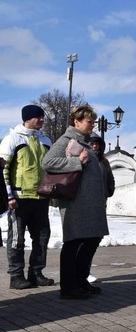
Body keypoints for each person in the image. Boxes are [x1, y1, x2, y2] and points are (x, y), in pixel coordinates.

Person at [42, 105, 109, 299]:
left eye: (94, 121)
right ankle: (69, 287)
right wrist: (77, 162)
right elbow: (48, 162)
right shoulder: (66, 140)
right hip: (76, 203)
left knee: (92, 239)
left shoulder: (86, 142)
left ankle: (80, 281)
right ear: (76, 122)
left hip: (91, 203)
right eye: (89, 121)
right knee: (74, 242)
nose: (93, 125)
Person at [0, 104, 54, 289]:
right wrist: (9, 196)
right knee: (17, 239)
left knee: (42, 238)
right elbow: (3, 170)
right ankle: (16, 276)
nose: (41, 120)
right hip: (19, 199)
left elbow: (51, 168)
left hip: (41, 198)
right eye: (38, 117)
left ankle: (36, 273)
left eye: (42, 117)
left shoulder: (46, 140)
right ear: (27, 118)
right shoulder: (12, 139)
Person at [87, 133, 115, 283]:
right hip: (87, 205)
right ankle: (83, 272)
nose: (95, 146)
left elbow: (110, 177)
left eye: (97, 144)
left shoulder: (104, 162)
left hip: (100, 204)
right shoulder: (85, 159)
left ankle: (85, 271)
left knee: (96, 238)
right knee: (86, 239)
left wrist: (109, 189)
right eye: (92, 143)